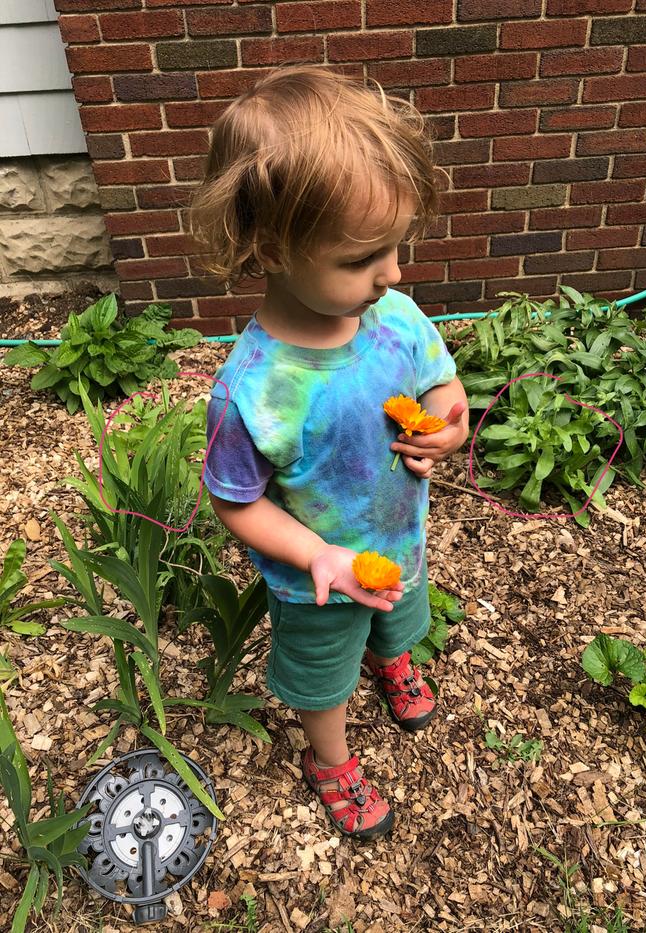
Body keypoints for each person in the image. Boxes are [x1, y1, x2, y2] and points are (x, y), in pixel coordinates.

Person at [191, 65, 469, 841]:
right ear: (270, 249)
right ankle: (331, 758)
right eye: (363, 259)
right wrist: (315, 554)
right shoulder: (253, 391)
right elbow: (234, 499)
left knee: (399, 618)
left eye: (398, 247)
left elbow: (445, 387)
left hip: (396, 541)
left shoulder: (398, 318)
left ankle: (393, 662)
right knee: (322, 676)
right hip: (317, 578)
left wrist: (450, 426)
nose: (394, 273)